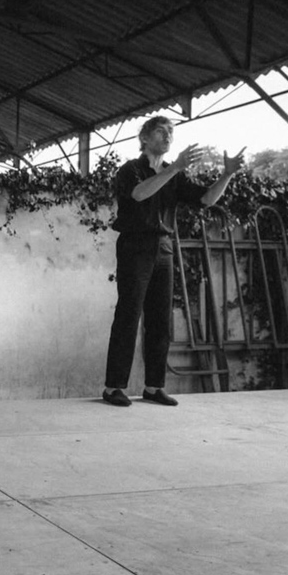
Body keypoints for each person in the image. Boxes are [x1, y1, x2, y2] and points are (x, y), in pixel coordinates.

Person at [102, 116, 245, 407]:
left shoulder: (173, 174)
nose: (167, 136)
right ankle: (113, 387)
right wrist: (177, 167)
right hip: (135, 246)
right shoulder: (130, 170)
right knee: (128, 315)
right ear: (144, 137)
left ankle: (153, 387)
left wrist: (227, 175)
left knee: (160, 319)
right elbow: (140, 194)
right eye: (160, 131)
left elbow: (206, 199)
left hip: (163, 248)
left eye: (171, 132)